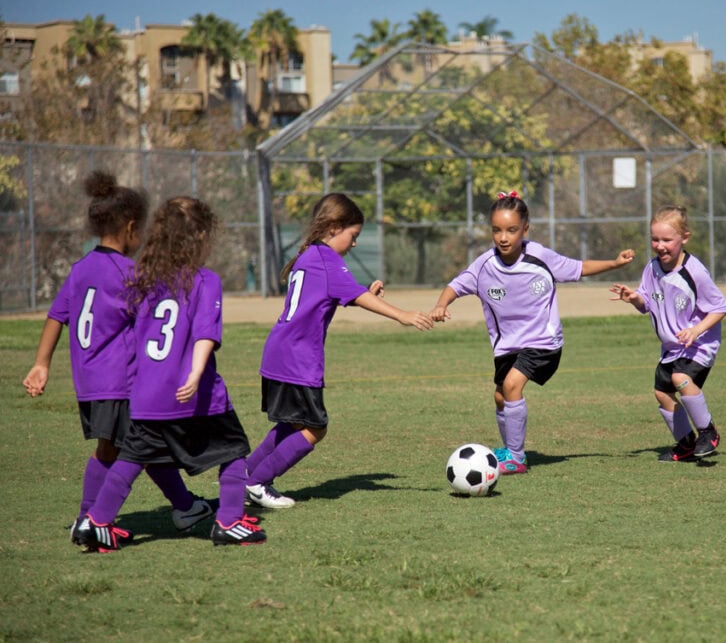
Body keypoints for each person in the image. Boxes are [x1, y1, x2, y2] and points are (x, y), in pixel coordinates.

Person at [22, 171, 212, 544]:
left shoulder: (81, 269)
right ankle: (97, 517)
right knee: (138, 447)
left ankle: (179, 506)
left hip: (89, 382)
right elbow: (153, 322)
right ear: (130, 228)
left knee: (121, 447)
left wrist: (41, 363)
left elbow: (56, 315)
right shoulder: (129, 273)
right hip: (120, 381)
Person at [74, 196, 264, 551]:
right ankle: (229, 522)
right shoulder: (205, 280)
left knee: (131, 459)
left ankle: (95, 522)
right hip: (193, 394)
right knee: (234, 450)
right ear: (199, 237)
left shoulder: (143, 281)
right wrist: (195, 373)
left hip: (146, 395)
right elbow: (205, 334)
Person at [244, 193, 434, 509]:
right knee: (315, 428)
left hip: (279, 353)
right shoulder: (327, 259)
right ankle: (257, 482)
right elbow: (354, 296)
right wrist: (402, 315)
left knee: (294, 423)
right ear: (334, 227)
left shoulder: (309, 255)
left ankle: (244, 474)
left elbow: (331, 295)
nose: (355, 243)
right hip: (297, 360)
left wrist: (364, 292)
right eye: (353, 235)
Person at [430, 190, 636, 474]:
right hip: (507, 346)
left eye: (511, 230)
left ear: (525, 230)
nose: (503, 237)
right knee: (500, 396)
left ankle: (516, 458)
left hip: (543, 342)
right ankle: (509, 450)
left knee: (512, 386)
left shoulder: (540, 257)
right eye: (497, 230)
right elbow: (455, 285)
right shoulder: (484, 265)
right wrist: (441, 305)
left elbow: (579, 268)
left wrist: (614, 263)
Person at [610, 205, 726, 462]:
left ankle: (708, 432)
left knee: (680, 378)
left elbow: (720, 308)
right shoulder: (652, 268)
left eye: (667, 240)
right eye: (655, 239)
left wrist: (696, 330)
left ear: (684, 238)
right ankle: (686, 444)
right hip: (671, 348)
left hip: (698, 345)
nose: (660, 246)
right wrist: (634, 298)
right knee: (662, 393)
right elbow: (646, 303)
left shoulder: (694, 272)